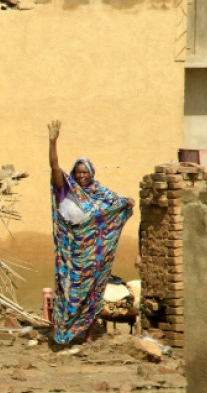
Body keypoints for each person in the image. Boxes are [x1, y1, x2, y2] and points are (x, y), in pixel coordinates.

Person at [48, 120, 135, 345]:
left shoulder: (100, 193)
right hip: (71, 255)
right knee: (68, 292)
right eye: (78, 172)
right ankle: (64, 333)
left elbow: (116, 205)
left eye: (85, 172)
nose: (81, 176)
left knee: (93, 292)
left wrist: (127, 202)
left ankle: (88, 335)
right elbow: (55, 168)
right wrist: (53, 142)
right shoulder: (67, 190)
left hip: (95, 256)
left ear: (91, 173)